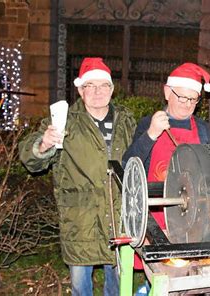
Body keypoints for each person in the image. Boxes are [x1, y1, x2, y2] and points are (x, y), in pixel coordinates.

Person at [19, 57, 136, 296]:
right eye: (89, 86)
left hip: (119, 216)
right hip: (80, 220)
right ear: (80, 90)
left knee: (118, 283)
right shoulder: (64, 121)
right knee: (80, 286)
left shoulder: (126, 121)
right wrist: (43, 145)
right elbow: (29, 156)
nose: (97, 92)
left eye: (103, 85)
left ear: (112, 90)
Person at [122, 63, 210, 276]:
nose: (187, 104)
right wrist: (151, 134)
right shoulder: (148, 124)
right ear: (167, 92)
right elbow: (128, 165)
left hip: (191, 218)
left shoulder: (204, 131)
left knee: (187, 276)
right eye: (181, 97)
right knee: (159, 274)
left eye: (193, 99)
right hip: (155, 217)